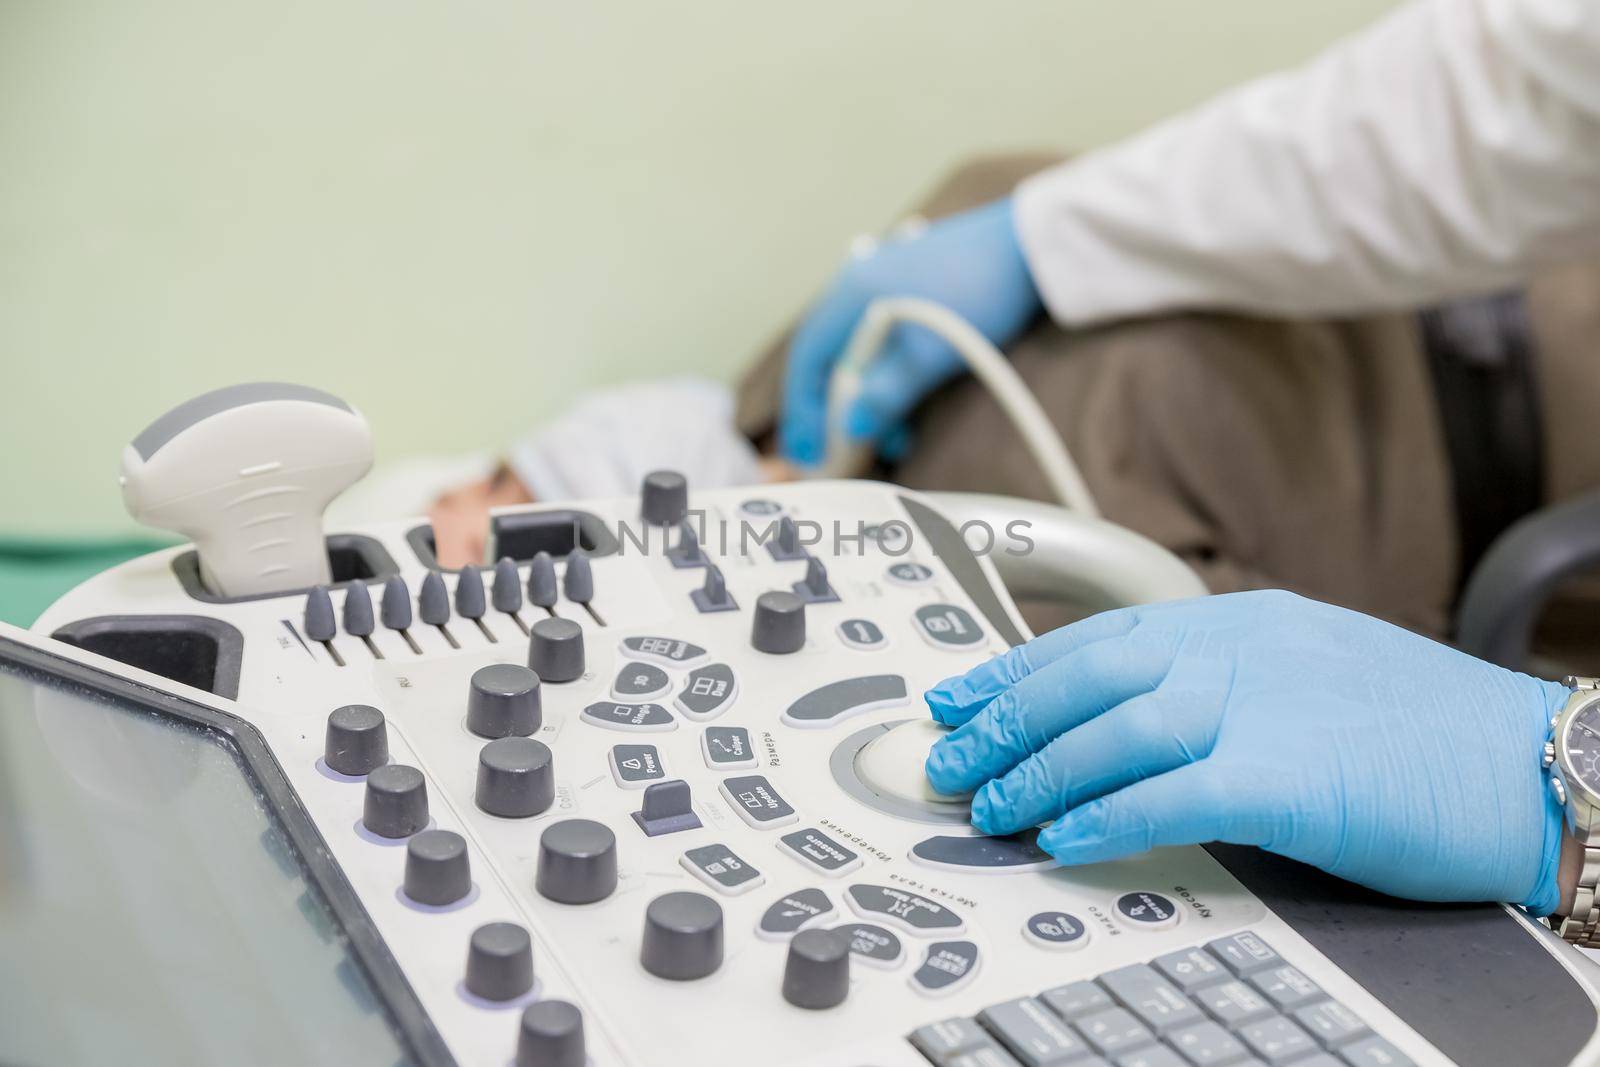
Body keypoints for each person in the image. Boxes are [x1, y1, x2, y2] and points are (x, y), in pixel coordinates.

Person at [776, 0, 1600, 922]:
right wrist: (1045, 238)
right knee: (995, 195)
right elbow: (1501, 99)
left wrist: (1565, 810)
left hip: (1447, 438)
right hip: (1417, 336)